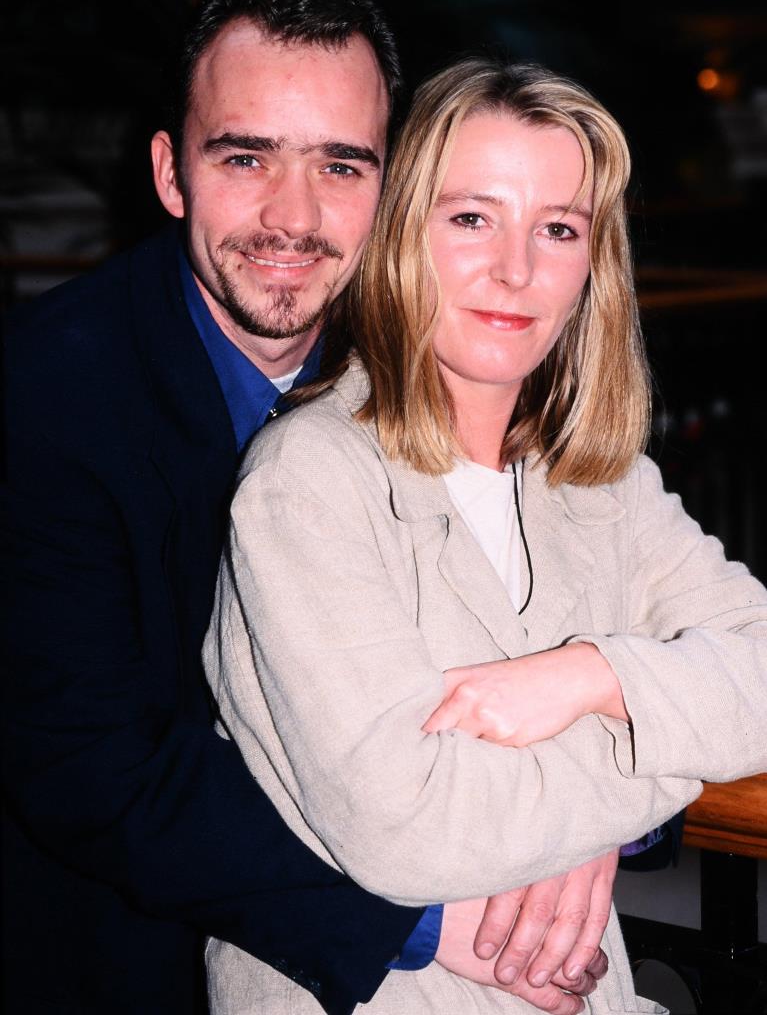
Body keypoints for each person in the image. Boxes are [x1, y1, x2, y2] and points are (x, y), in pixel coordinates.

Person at [2, 0, 618, 1015]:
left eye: (341, 166)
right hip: (132, 953)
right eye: (246, 157)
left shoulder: (437, 363)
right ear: (170, 173)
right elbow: (92, 769)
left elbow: (594, 614)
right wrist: (423, 924)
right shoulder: (47, 398)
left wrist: (591, 823)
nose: (293, 217)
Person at [202, 57, 767, 1014]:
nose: (516, 268)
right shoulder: (309, 482)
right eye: (471, 218)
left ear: (594, 263)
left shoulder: (603, 481)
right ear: (399, 235)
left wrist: (593, 676)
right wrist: (641, 778)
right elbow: (408, 828)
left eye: (557, 228)